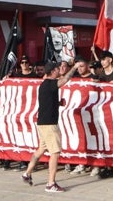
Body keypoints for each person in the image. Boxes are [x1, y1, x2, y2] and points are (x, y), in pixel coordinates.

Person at [21, 61, 77, 193]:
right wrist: (74, 67)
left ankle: (27, 173)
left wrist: (57, 103)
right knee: (55, 153)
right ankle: (51, 183)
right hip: (50, 124)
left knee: (41, 149)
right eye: (58, 69)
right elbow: (65, 80)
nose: (59, 71)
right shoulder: (51, 83)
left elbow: (46, 102)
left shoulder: (44, 85)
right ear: (53, 71)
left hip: (42, 123)